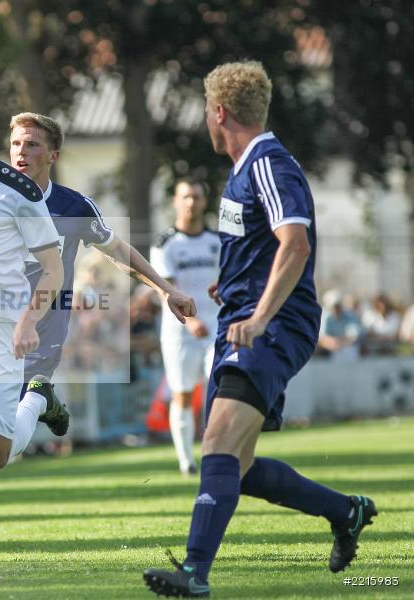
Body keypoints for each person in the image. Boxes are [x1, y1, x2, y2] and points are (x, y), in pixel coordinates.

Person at [0, 111, 197, 570]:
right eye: (15, 144)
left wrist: (166, 288)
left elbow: (120, 254)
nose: (21, 153)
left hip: (35, 343)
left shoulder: (72, 206)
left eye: (32, 145)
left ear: (53, 154)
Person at [143, 61, 377, 598]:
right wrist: (232, 286)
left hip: (271, 329)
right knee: (237, 467)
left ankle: (195, 573)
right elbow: (263, 248)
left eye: (206, 110)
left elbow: (295, 243)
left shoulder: (270, 164)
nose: (206, 119)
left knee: (218, 445)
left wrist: (260, 315)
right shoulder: (242, 170)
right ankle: (345, 512)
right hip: (243, 324)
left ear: (219, 112)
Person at [150, 178, 220, 475]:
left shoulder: (217, 242)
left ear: (204, 202)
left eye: (196, 197)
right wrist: (191, 321)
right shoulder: (166, 244)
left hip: (216, 327)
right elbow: (168, 289)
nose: (191, 203)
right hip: (180, 330)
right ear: (176, 202)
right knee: (182, 394)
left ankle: (218, 453)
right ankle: (186, 461)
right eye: (185, 197)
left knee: (219, 388)